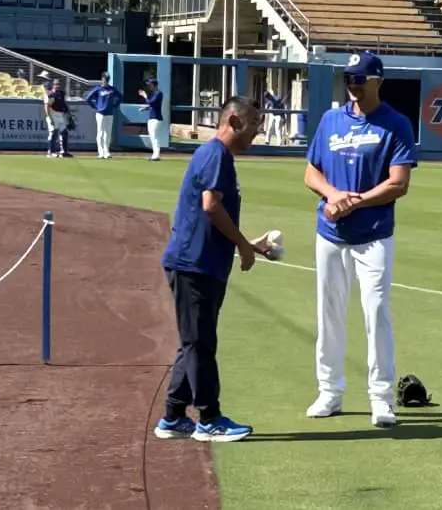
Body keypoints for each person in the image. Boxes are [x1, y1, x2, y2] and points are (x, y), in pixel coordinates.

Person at [303, 51, 418, 428]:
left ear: (377, 81)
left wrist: (356, 201)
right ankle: (330, 392)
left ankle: (381, 398)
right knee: (329, 314)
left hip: (373, 236)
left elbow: (398, 183)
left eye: (360, 79)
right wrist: (334, 196)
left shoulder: (395, 123)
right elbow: (311, 173)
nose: (353, 85)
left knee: (376, 314)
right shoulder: (331, 120)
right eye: (349, 79)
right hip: (331, 233)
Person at [154, 96, 274, 442]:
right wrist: (240, 245)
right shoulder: (215, 154)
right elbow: (210, 206)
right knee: (200, 344)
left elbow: (212, 214)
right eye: (254, 124)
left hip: (200, 263)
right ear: (234, 121)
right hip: (195, 265)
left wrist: (249, 245)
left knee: (192, 342)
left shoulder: (219, 157)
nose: (257, 131)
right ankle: (209, 418)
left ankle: (175, 416)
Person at [85, 72, 123, 159]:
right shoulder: (98, 88)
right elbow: (88, 98)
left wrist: (115, 105)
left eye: (107, 79)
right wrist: (96, 107)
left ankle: (107, 152)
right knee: (100, 133)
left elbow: (120, 97)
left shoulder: (112, 89)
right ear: (102, 79)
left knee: (108, 133)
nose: (106, 80)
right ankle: (101, 152)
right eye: (105, 78)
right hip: (100, 114)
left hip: (109, 113)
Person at [44, 79, 73, 158]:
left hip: (61, 115)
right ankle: (51, 152)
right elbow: (47, 106)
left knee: (64, 132)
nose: (57, 85)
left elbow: (65, 104)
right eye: (56, 84)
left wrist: (69, 115)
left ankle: (64, 151)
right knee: (54, 133)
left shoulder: (62, 93)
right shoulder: (51, 94)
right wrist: (49, 117)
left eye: (58, 84)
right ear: (53, 85)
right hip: (53, 115)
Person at [139, 78, 165, 161]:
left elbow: (151, 102)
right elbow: (152, 105)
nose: (149, 86)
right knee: (152, 137)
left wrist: (145, 96)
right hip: (152, 118)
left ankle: (156, 155)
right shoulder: (154, 94)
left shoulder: (158, 93)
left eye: (150, 85)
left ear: (154, 85)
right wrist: (145, 108)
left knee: (155, 137)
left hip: (156, 119)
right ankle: (155, 154)